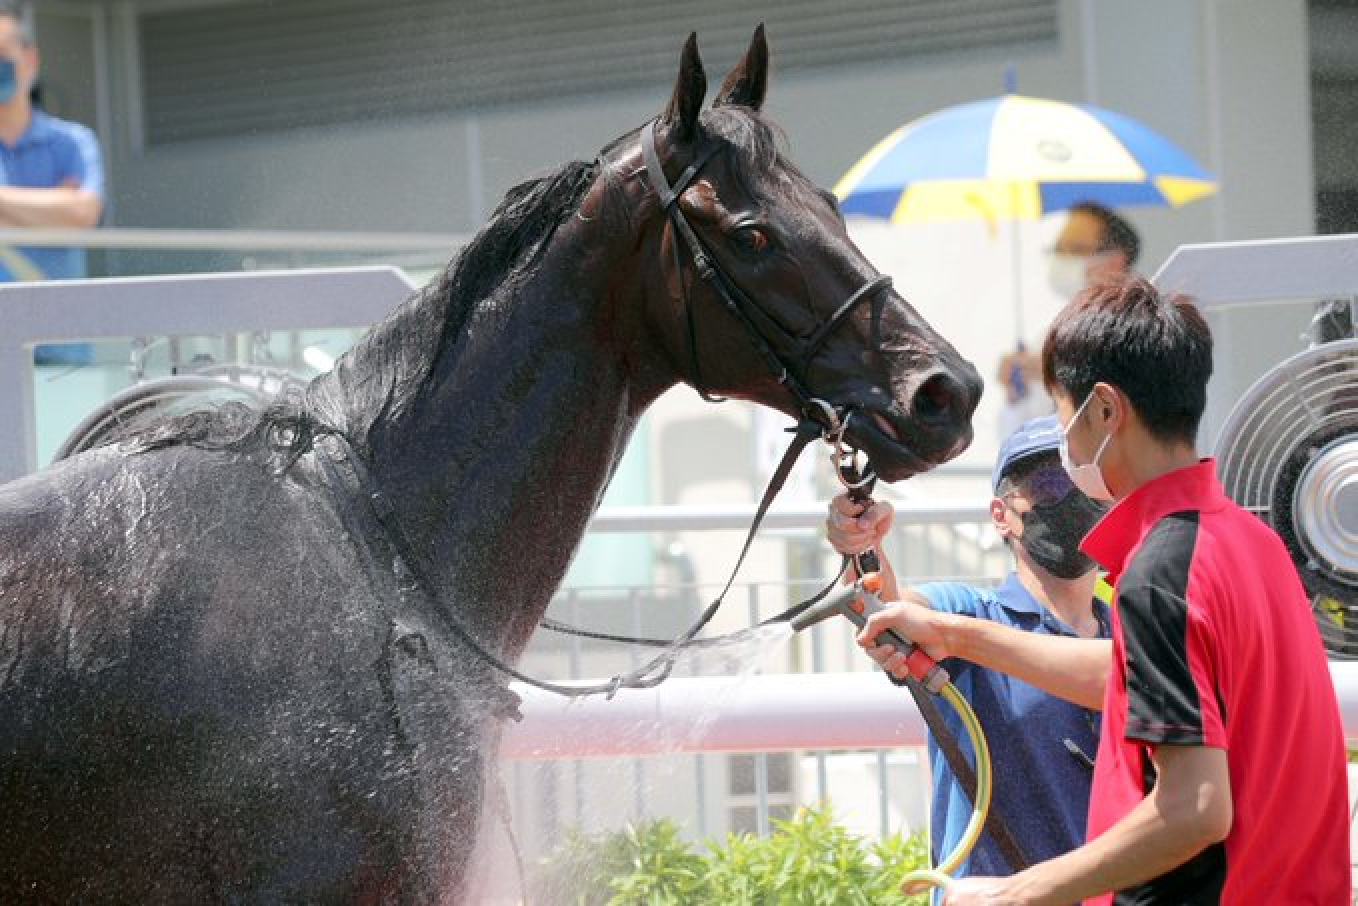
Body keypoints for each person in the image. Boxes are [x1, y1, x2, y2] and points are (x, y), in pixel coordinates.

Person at [860, 277, 1349, 904]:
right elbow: (1124, 678)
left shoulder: (1161, 576)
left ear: (1105, 411)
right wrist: (950, 629)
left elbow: (1195, 808)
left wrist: (1014, 895)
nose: (1065, 451)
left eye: (1064, 416)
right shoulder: (1253, 545)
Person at [825, 415, 1111, 894]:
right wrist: (861, 543)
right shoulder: (968, 616)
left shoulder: (1132, 629)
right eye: (1047, 483)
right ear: (1001, 515)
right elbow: (883, 608)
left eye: (1082, 477)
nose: (1071, 498)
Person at [0, 1, 104, 364]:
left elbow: (83, 214)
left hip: (65, 348)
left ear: (31, 60)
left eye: (1, 55)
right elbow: (66, 212)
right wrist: (52, 205)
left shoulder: (73, 142)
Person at [997, 203, 1141, 441]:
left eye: (1074, 249)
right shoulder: (1047, 337)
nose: (1061, 259)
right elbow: (1020, 437)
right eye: (1057, 248)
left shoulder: (1144, 329)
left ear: (1115, 261)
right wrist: (1015, 392)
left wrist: (1058, 371)